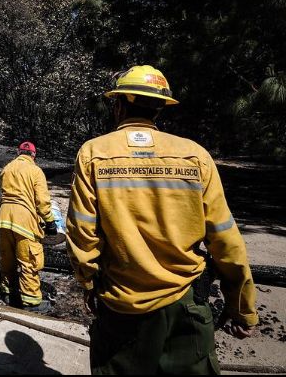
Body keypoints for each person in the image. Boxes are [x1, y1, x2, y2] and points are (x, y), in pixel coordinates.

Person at [67, 65, 258, 374]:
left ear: (119, 105)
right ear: (159, 108)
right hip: (185, 309)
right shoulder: (195, 155)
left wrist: (88, 282)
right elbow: (226, 240)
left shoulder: (93, 153)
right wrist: (242, 308)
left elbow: (81, 234)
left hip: (121, 307)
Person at [0, 141, 58, 313]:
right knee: (29, 260)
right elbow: (42, 201)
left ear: (18, 153)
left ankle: (8, 293)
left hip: (3, 218)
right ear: (33, 155)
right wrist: (50, 221)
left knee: (7, 258)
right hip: (23, 220)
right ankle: (32, 303)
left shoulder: (7, 168)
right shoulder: (35, 171)